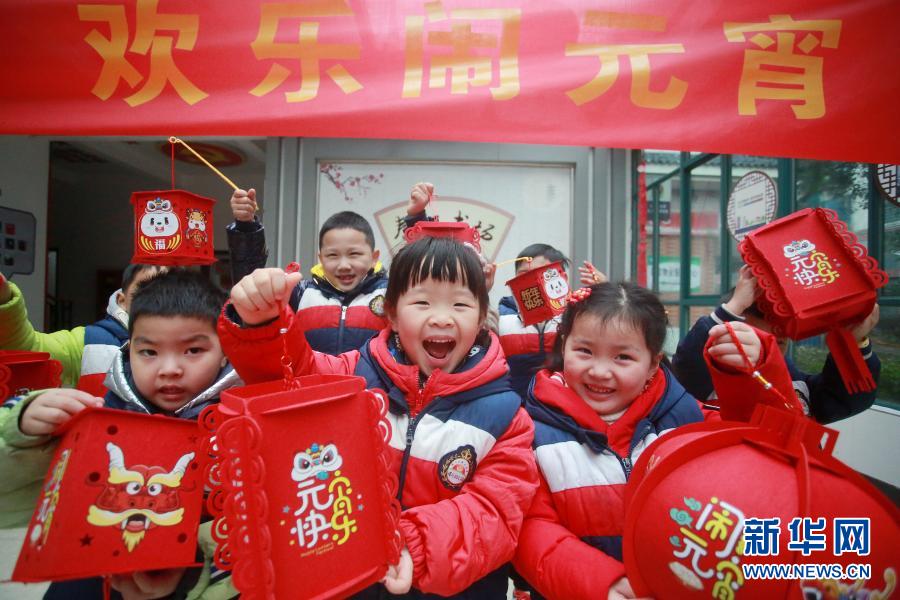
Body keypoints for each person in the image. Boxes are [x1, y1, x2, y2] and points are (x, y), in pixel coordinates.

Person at [218, 236, 539, 598]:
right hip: (347, 582)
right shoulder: (352, 376)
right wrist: (263, 326)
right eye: (422, 302)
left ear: (481, 319)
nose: (441, 317)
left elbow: (495, 511)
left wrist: (411, 544)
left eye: (461, 304)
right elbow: (292, 378)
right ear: (392, 314)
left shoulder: (506, 416)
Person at [511, 281, 793, 600]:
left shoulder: (688, 419)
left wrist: (759, 374)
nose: (600, 371)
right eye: (585, 351)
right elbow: (531, 527)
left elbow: (772, 451)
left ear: (653, 364)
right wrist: (604, 585)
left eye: (622, 357)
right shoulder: (531, 434)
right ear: (564, 347)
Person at [0, 269, 239, 599]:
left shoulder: (238, 426)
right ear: (129, 349)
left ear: (224, 349)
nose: (169, 369)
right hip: (87, 576)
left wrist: (188, 571)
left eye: (193, 350)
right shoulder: (96, 420)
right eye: (149, 352)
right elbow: (13, 496)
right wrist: (23, 427)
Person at [671, 265, 881, 423]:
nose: (778, 332)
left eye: (783, 323)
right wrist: (735, 305)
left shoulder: (792, 379)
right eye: (764, 321)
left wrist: (854, 341)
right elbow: (689, 362)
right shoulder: (703, 381)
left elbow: (844, 400)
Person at [0, 264, 163, 395]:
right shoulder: (89, 343)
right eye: (146, 291)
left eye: (173, 291)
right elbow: (27, 349)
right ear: (122, 300)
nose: (162, 300)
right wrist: (4, 301)